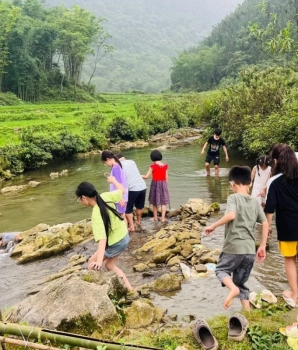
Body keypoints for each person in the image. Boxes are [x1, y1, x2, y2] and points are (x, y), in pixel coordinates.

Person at [205, 166, 268, 310]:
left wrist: (214, 225)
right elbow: (265, 223)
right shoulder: (254, 202)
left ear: (232, 184)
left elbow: (231, 215)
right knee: (240, 283)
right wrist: (262, 246)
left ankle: (232, 290)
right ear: (250, 183)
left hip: (233, 247)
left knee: (221, 270)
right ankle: (248, 315)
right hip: (249, 251)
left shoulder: (233, 197)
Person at [76, 177, 133, 290]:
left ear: (84, 197)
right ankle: (130, 289)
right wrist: (114, 181)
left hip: (117, 241)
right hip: (123, 235)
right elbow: (122, 190)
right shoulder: (105, 196)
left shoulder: (96, 214)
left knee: (94, 263)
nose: (80, 202)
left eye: (79, 199)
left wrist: (98, 262)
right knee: (108, 264)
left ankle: (100, 289)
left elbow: (102, 239)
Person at [264, 144, 298, 308]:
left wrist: (267, 230)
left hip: (288, 228)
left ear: (276, 161)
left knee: (290, 259)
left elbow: (269, 209)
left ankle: (295, 294)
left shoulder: (274, 182)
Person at [116, 154, 147, 232]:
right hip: (142, 186)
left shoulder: (118, 166)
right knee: (139, 206)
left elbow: (120, 181)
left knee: (128, 209)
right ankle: (138, 222)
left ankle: (132, 227)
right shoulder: (132, 162)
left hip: (132, 189)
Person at [142, 150, 170, 223]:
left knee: (154, 202)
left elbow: (146, 176)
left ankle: (155, 218)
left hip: (155, 185)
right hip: (163, 184)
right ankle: (163, 218)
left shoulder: (153, 166)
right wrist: (166, 186)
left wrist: (139, 175)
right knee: (163, 202)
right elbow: (166, 177)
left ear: (152, 158)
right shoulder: (165, 166)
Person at [101, 150, 128, 219]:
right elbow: (119, 181)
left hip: (119, 196)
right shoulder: (117, 165)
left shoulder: (115, 168)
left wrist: (120, 199)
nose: (106, 165)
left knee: (122, 217)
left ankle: (124, 229)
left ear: (107, 159)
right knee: (123, 215)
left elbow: (120, 183)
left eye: (105, 163)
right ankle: (125, 229)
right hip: (121, 195)